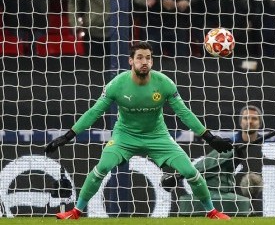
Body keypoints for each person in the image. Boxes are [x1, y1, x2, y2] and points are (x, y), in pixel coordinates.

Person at [45, 42, 233, 220]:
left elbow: (184, 113)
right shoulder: (117, 85)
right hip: (125, 136)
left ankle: (212, 212)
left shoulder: (164, 84)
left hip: (157, 136)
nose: (144, 62)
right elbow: (94, 112)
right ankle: (76, 211)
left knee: (190, 172)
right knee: (102, 168)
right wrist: (68, 135)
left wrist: (209, 137)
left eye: (148, 58)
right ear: (131, 61)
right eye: (140, 58)